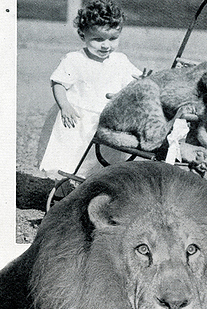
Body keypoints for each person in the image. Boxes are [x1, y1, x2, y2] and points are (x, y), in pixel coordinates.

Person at [39, 0, 142, 180]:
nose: (106, 45)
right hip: (77, 117)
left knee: (101, 157)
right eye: (98, 39)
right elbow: (59, 83)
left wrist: (143, 81)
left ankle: (93, 184)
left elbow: (135, 82)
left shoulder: (120, 61)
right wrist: (65, 106)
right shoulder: (74, 60)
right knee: (71, 154)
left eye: (112, 39)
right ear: (83, 35)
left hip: (104, 120)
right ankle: (64, 184)